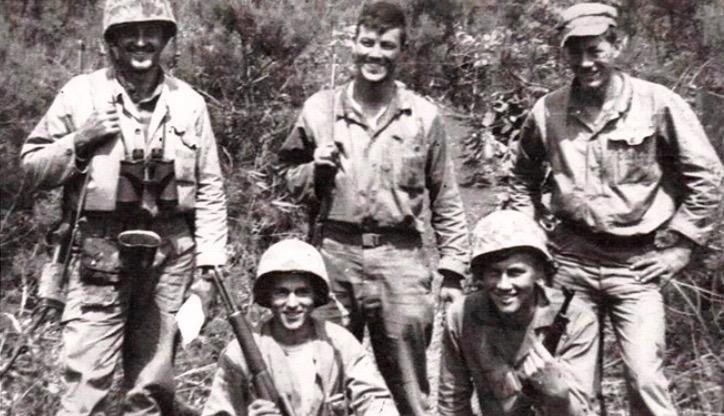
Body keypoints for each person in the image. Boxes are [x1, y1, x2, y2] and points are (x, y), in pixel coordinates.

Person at [506, 3, 724, 415]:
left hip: (637, 265)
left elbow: (707, 175)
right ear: (564, 53)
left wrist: (681, 247)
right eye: (575, 52)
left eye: (596, 49)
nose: (586, 63)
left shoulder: (657, 104)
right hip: (571, 262)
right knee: (572, 389)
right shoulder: (548, 110)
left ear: (617, 45)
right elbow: (522, 178)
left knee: (646, 380)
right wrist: (531, 240)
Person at [20, 0, 228, 414]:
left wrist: (211, 266)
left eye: (151, 31)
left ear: (166, 38)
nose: (140, 41)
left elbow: (210, 189)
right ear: (112, 39)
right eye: (128, 31)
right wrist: (80, 140)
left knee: (149, 392)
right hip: (98, 257)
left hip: (169, 261)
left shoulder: (188, 103)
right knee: (84, 392)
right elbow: (31, 168)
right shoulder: (80, 95)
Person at [279, 2, 469, 414]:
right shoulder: (320, 109)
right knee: (323, 377)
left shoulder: (422, 116)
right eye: (367, 43)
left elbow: (446, 197)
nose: (375, 54)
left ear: (402, 50)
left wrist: (453, 267)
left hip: (399, 261)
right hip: (335, 255)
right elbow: (288, 179)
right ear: (353, 43)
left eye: (386, 45)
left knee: (409, 388)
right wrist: (316, 170)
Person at [202, 239, 398, 416]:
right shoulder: (241, 352)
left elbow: (375, 400)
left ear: (315, 297)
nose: (292, 303)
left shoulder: (340, 343)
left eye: (302, 292)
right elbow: (217, 410)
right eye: (282, 293)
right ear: (268, 297)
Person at [438, 210, 599, 415]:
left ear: (539, 272)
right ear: (481, 274)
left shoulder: (576, 319)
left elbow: (582, 410)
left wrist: (557, 394)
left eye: (516, 272)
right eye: (494, 273)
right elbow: (452, 402)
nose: (504, 285)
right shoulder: (462, 316)